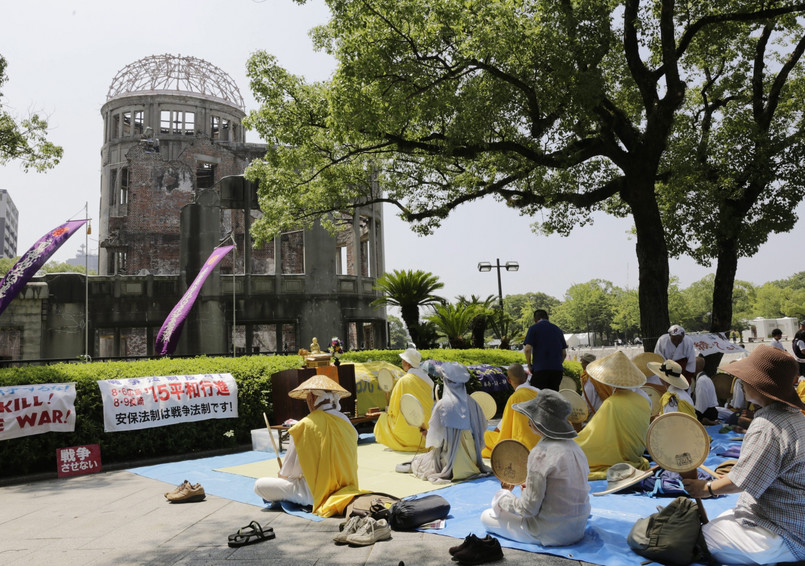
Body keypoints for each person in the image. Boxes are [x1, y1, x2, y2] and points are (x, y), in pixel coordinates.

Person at [683, 345, 805, 565]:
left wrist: (706, 489)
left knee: (700, 538)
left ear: (761, 385)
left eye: (746, 378)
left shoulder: (767, 426)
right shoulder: (797, 417)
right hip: (797, 521)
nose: (741, 381)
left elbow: (743, 480)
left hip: (785, 533)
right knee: (723, 519)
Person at [480, 389, 591, 546]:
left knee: (487, 516)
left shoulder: (541, 453)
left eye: (531, 416)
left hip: (550, 533)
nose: (528, 420)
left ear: (540, 421)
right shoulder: (575, 448)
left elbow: (527, 509)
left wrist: (503, 496)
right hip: (578, 528)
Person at [254, 375, 362, 517]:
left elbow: (289, 473)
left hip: (314, 494)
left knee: (260, 485)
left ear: (311, 398)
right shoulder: (346, 422)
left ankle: (299, 500)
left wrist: (282, 475)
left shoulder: (305, 425)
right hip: (346, 487)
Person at [574, 350, 651, 480]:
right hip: (637, 452)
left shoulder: (611, 403)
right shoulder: (643, 399)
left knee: (575, 450)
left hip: (619, 453)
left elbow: (594, 433)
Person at [410, 362, 491, 482]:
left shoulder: (442, 405)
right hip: (473, 458)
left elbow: (436, 440)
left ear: (446, 382)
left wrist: (426, 433)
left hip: (449, 460)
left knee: (418, 463)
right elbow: (482, 428)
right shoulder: (473, 403)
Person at [374, 347, 435, 451]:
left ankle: (405, 441)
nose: (402, 362)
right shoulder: (428, 379)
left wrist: (388, 411)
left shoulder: (404, 381)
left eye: (403, 360)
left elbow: (394, 408)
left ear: (408, 363)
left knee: (383, 419)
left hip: (407, 430)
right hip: (427, 430)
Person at [481, 364, 539, 458]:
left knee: (486, 436)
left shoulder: (514, 398)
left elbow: (503, 426)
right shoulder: (539, 392)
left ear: (508, 380)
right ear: (526, 376)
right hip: (545, 442)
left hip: (522, 446)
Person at [523, 309, 567, 391]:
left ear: (535, 319)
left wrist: (529, 365)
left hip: (540, 369)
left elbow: (527, 349)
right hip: (557, 370)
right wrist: (557, 363)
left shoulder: (533, 328)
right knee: (553, 397)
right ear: (548, 318)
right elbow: (564, 353)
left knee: (538, 397)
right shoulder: (558, 330)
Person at [692, 356, 719, 425]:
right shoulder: (704, 378)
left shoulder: (701, 381)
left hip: (707, 414)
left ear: (698, 367)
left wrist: (695, 415)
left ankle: (707, 421)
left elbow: (702, 405)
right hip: (708, 411)